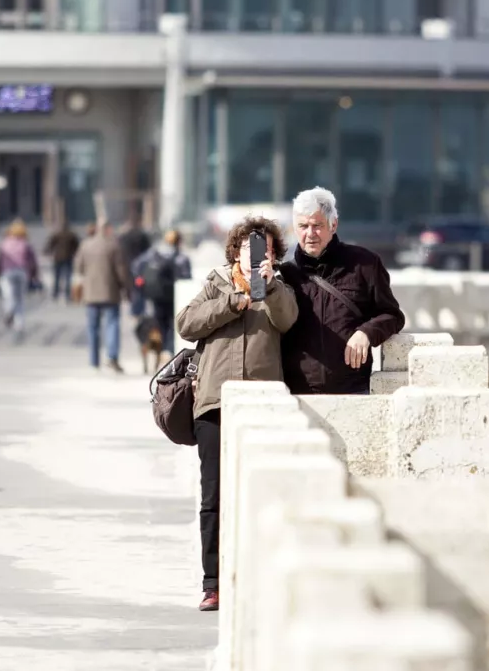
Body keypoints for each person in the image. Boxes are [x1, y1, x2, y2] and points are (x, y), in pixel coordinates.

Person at [176, 216, 297, 613]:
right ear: (235, 252)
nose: (253, 255)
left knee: (260, 495)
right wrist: (231, 303)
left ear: (274, 256)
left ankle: (255, 577)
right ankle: (212, 584)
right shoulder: (216, 284)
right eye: (247, 248)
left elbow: (287, 320)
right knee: (212, 497)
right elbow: (186, 324)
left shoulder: (280, 288)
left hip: (262, 404)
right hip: (214, 401)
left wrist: (271, 286)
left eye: (263, 249)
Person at [278, 187, 405, 396]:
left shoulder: (365, 264)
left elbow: (393, 315)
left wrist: (367, 332)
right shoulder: (285, 275)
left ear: (333, 224)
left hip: (353, 390)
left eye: (317, 225)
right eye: (303, 226)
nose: (310, 234)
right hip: (297, 395)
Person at [73, 219, 131, 372]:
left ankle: (94, 361)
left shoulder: (86, 245)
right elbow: (121, 272)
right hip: (110, 292)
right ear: (108, 229)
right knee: (112, 324)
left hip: (90, 293)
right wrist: (127, 289)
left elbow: (78, 267)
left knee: (93, 327)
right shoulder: (113, 246)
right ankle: (111, 357)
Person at [133, 229, 193, 359]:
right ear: (179, 241)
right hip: (173, 296)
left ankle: (160, 349)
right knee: (174, 323)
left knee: (159, 322)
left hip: (157, 295)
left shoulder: (153, 254)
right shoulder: (181, 257)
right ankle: (169, 350)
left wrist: (141, 285)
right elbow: (187, 277)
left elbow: (136, 266)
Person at [0, 219, 39, 332]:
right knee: (20, 299)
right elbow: (33, 261)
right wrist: (34, 275)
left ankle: (9, 311)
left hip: (7, 272)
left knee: (8, 296)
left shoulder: (4, 243)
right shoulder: (26, 244)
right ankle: (19, 323)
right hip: (22, 272)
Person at [119, 220, 153, 316]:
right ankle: (139, 310)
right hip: (140, 268)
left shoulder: (124, 238)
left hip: (128, 267)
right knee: (139, 289)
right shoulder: (142, 236)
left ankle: (134, 310)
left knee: (132, 289)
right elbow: (148, 252)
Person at [46, 220, 80, 301]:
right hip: (68, 257)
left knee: (57, 276)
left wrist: (48, 251)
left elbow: (51, 244)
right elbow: (77, 246)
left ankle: (55, 293)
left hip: (58, 257)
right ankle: (67, 295)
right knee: (68, 277)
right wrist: (75, 253)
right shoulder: (71, 235)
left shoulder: (57, 234)